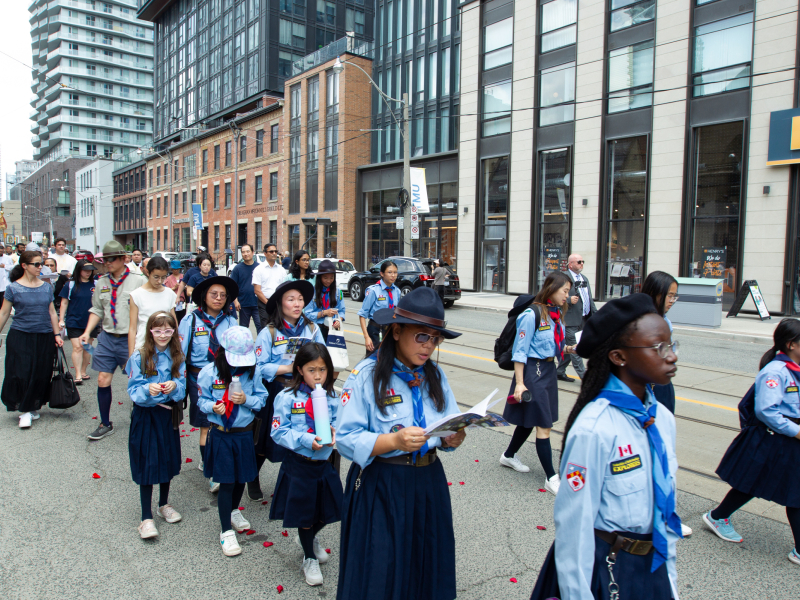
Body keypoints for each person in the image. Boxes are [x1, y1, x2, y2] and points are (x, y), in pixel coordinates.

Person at [529, 293, 682, 600]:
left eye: (672, 345)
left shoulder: (661, 419)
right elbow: (574, 527)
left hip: (652, 567)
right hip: (607, 569)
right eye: (658, 347)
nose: (672, 356)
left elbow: (665, 510)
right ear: (619, 357)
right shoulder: (595, 429)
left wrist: (670, 584)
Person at [336, 286, 467, 600]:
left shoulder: (435, 375)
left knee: (426, 561)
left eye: (435, 339)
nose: (429, 346)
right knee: (382, 567)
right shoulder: (367, 374)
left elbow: (448, 423)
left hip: (428, 481)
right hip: (383, 482)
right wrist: (392, 440)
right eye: (421, 336)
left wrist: (453, 438)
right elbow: (345, 438)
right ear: (396, 331)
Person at [703, 318, 800, 567]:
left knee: (757, 483)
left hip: (788, 439)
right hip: (778, 438)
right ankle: (718, 516)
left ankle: (718, 516)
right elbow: (766, 411)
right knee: (787, 491)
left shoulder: (795, 368)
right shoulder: (775, 372)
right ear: (791, 344)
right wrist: (796, 431)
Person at [270, 342, 342, 586]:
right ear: (300, 370)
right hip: (299, 465)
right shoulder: (287, 398)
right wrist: (305, 439)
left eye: (323, 369)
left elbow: (340, 424)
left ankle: (308, 538)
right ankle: (309, 557)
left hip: (323, 465)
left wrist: (335, 433)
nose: (318, 376)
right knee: (304, 515)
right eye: (312, 370)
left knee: (332, 508)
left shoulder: (333, 397)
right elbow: (278, 431)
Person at [499, 271, 572, 495]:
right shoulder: (531, 315)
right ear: (552, 288)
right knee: (544, 423)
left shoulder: (556, 314)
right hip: (533, 370)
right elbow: (520, 352)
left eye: (568, 292)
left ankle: (508, 456)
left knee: (529, 420)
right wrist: (520, 383)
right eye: (565, 291)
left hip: (548, 370)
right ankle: (551, 477)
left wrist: (569, 348)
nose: (567, 296)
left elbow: (553, 344)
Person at [197, 326, 267, 557]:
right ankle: (225, 531)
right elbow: (201, 400)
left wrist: (247, 399)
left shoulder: (253, 372)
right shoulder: (209, 373)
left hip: (244, 433)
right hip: (221, 434)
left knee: (241, 479)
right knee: (227, 482)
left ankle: (234, 510)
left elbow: (262, 399)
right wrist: (212, 407)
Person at [252, 280, 324, 500]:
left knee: (299, 436)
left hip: (304, 390)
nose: (297, 304)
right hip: (276, 389)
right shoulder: (269, 332)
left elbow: (323, 356)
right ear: (280, 303)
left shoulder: (312, 329)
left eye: (300, 299)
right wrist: (288, 368)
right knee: (265, 439)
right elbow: (259, 367)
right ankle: (252, 478)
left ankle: (290, 484)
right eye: (291, 299)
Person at [126, 312, 186, 540]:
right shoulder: (140, 356)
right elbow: (133, 389)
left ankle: (163, 504)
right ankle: (146, 517)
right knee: (147, 462)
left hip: (167, 415)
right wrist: (146, 389)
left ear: (173, 332)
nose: (163, 335)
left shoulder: (177, 356)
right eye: (158, 330)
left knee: (167, 458)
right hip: (146, 415)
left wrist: (175, 386)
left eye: (168, 330)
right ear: (150, 331)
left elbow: (182, 385)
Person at [79, 240, 145, 441]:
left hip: (130, 338)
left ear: (123, 259)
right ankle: (105, 423)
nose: (107, 263)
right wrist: (87, 332)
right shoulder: (101, 282)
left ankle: (140, 419)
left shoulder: (138, 280)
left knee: (136, 379)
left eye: (112, 259)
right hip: (107, 337)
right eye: (105, 260)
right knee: (102, 379)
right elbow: (97, 310)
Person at [179, 276, 239, 493]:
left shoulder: (231, 322)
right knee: (207, 425)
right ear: (204, 297)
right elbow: (180, 354)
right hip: (199, 380)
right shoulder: (190, 320)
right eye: (214, 294)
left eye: (223, 295)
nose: (219, 298)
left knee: (223, 424)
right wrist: (179, 386)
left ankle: (218, 462)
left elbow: (238, 352)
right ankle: (211, 470)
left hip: (224, 379)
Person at [0, 251, 64, 428]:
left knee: (41, 372)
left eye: (40, 263)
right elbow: (4, 313)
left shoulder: (46, 287)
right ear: (24, 266)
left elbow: (52, 312)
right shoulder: (13, 288)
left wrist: (56, 335)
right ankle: (26, 410)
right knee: (21, 372)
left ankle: (32, 406)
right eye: (36, 264)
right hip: (20, 335)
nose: (40, 267)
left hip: (44, 335)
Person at [641, 271, 679, 414]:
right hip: (647, 386)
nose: (672, 300)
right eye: (669, 295)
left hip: (662, 383)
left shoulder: (665, 321)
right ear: (654, 293)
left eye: (674, 296)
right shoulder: (639, 322)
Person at [557, 253, 597, 383]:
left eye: (582, 261)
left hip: (584, 319)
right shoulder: (563, 278)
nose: (582, 264)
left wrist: (596, 315)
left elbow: (589, 299)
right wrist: (568, 299)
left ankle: (559, 371)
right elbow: (554, 296)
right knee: (576, 348)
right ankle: (586, 379)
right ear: (570, 264)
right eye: (579, 262)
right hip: (570, 320)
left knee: (571, 346)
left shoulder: (584, 279)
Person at [58, 260, 98, 384]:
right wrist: (61, 319)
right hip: (74, 320)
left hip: (90, 321)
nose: (88, 272)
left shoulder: (96, 284)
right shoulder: (70, 285)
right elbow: (64, 302)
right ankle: (78, 374)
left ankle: (83, 371)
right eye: (85, 270)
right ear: (78, 270)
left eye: (90, 270)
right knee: (77, 347)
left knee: (87, 347)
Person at [128, 257, 178, 354]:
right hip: (143, 346)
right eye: (156, 277)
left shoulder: (169, 294)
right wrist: (131, 355)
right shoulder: (136, 295)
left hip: (166, 346)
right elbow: (133, 328)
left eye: (163, 277)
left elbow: (174, 322)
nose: (159, 281)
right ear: (148, 272)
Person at [358, 261, 399, 355]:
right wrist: (367, 337)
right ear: (382, 274)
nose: (393, 275)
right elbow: (362, 315)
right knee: (374, 359)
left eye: (395, 272)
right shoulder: (373, 290)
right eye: (389, 272)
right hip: (375, 330)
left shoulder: (397, 291)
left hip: (390, 330)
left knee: (388, 359)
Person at [304, 259, 344, 343]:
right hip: (317, 328)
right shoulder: (312, 293)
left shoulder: (338, 292)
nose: (328, 281)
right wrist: (324, 313)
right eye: (325, 278)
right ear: (320, 277)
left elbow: (341, 311)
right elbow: (307, 314)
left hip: (332, 329)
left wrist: (338, 320)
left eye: (331, 277)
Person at [252, 242, 286, 328]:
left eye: (275, 251)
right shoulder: (259, 269)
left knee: (280, 327)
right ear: (265, 253)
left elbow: (284, 288)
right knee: (267, 327)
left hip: (279, 303)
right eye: (271, 251)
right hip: (264, 303)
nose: (274, 253)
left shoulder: (281, 269)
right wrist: (269, 304)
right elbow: (257, 290)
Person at [230, 243, 262, 332]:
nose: (245, 254)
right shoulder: (237, 268)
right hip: (243, 304)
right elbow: (232, 286)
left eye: (248, 251)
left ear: (252, 252)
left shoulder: (259, 267)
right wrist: (235, 301)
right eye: (243, 252)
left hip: (257, 303)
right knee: (243, 329)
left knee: (260, 327)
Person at [0, 243, 12, 310]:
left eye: (1, 251)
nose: (0, 252)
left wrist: (4, 266)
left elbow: (12, 267)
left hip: (4, 282)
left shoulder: (7, 258)